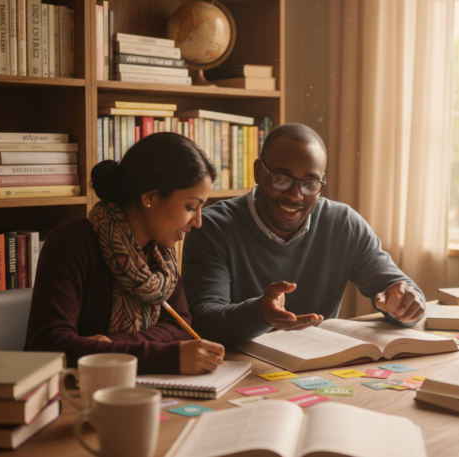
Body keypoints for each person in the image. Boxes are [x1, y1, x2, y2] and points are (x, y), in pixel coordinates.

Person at [182, 123, 426, 346]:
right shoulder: (212, 227)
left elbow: (403, 290)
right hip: (239, 369)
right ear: (258, 172)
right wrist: (261, 313)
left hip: (320, 367)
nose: (295, 195)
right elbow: (203, 322)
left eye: (310, 184)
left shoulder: (343, 224)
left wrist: (405, 304)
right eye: (281, 179)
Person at [25, 132, 226, 374]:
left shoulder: (163, 257)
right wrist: (165, 356)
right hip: (68, 394)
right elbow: (49, 346)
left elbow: (180, 326)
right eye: (190, 207)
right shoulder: (71, 243)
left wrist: (115, 347)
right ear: (149, 197)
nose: (198, 222)